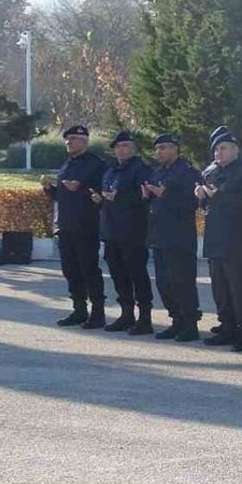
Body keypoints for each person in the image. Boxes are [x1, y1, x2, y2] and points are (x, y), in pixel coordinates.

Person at [197, 127, 242, 351]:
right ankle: (227, 327)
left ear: (235, 149)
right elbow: (205, 206)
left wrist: (220, 197)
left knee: (240, 289)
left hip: (238, 239)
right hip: (215, 237)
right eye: (216, 149)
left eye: (223, 148)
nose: (218, 153)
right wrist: (203, 197)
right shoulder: (210, 171)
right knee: (220, 289)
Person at [44, 125, 108, 328]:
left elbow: (101, 194)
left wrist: (80, 189)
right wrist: (50, 190)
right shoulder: (67, 164)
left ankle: (98, 312)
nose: (69, 142)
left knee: (89, 270)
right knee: (70, 271)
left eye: (73, 138)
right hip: (65, 227)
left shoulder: (96, 165)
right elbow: (63, 196)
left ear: (85, 141)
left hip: (86, 226)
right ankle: (79, 310)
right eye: (67, 139)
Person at [94, 131, 154, 334]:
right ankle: (126, 314)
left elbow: (145, 196)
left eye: (126, 146)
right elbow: (108, 196)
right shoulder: (111, 170)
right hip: (111, 231)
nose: (121, 150)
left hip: (133, 232)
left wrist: (119, 197)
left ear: (134, 149)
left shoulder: (141, 170)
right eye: (118, 147)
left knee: (138, 275)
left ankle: (145, 318)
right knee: (119, 275)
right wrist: (101, 199)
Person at [144, 134, 201, 341]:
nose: (160, 152)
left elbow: (192, 203)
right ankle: (176, 320)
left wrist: (165, 195)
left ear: (176, 149)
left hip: (179, 238)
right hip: (160, 236)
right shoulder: (157, 172)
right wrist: (147, 196)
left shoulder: (187, 173)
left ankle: (189, 324)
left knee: (182, 282)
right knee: (164, 283)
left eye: (165, 147)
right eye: (157, 148)